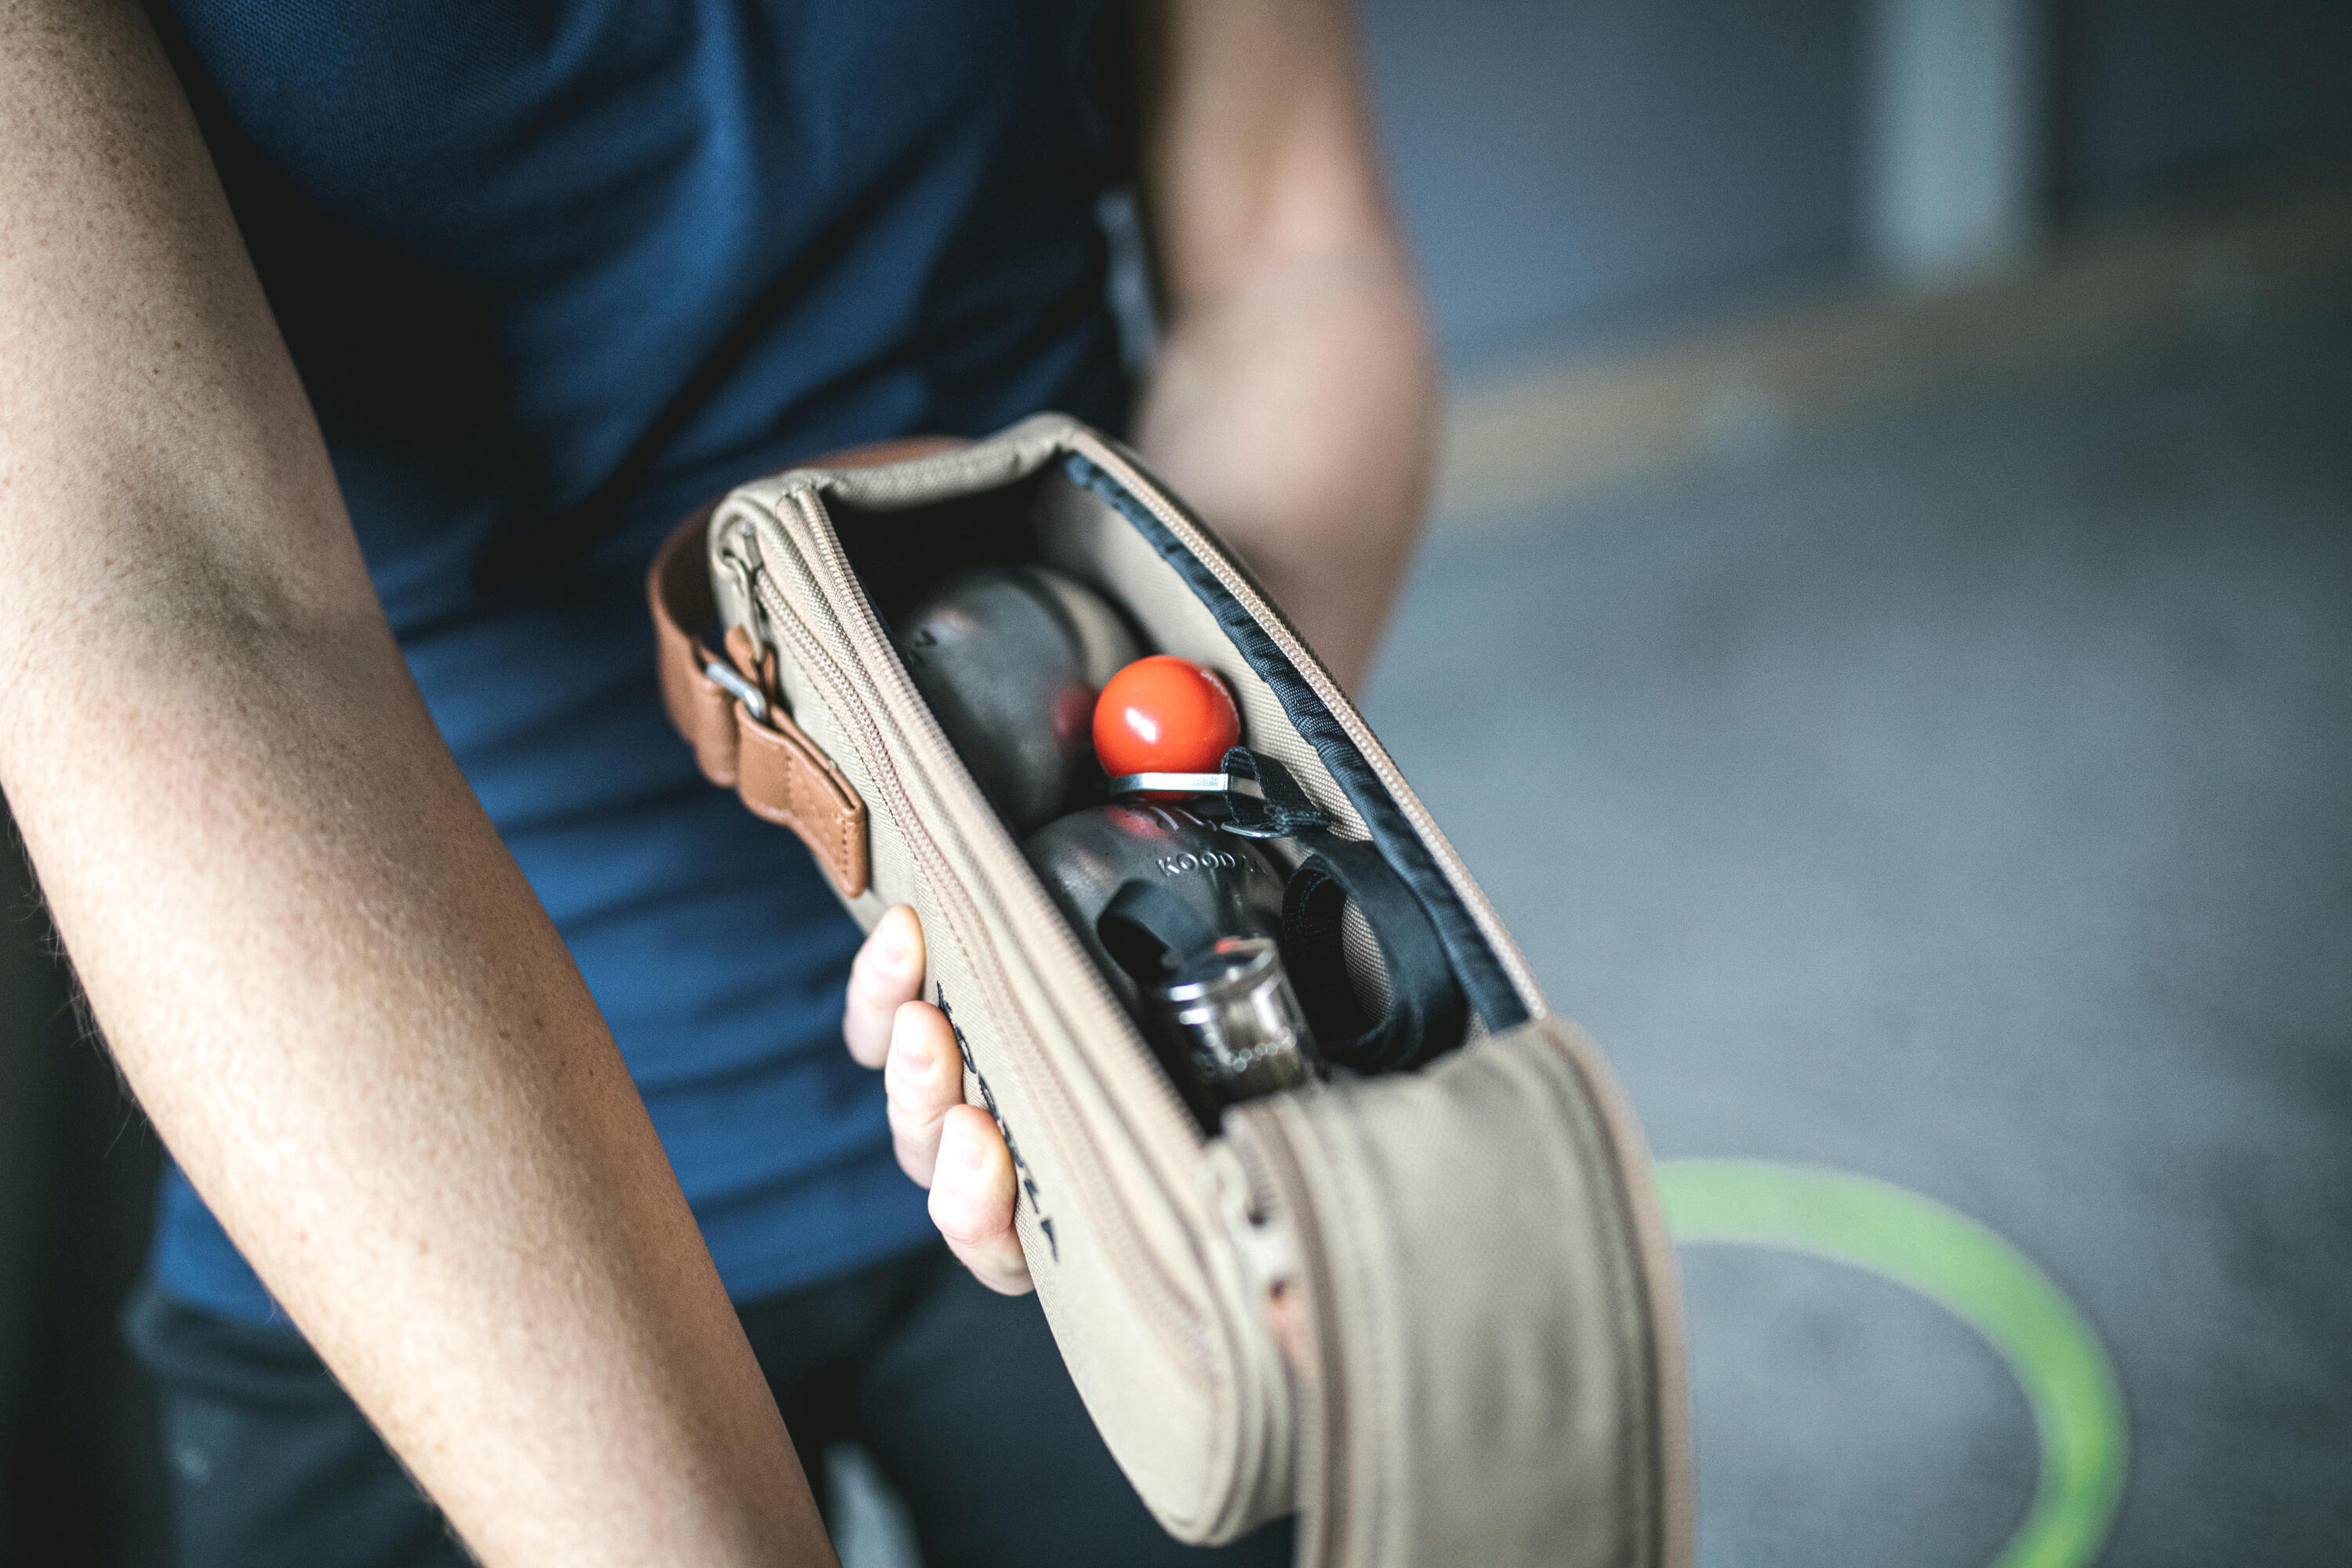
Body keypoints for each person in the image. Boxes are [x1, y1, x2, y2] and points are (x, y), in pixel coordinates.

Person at [0, 0, 1436, 1563]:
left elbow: (1291, 247)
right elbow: (171, 615)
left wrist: (1158, 806)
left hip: (1105, 1020)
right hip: (411, 1165)